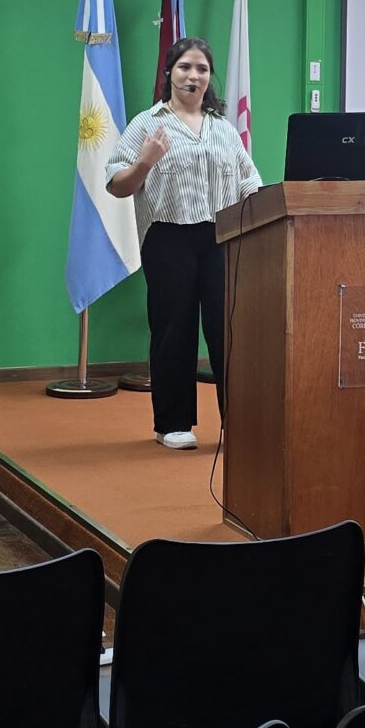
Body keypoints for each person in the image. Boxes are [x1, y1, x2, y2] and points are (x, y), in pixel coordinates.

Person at [106, 37, 263, 449]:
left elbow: (249, 179)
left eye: (202, 69)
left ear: (210, 78)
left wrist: (259, 201)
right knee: (173, 330)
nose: (194, 76)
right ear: (169, 73)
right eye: (185, 67)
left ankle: (239, 422)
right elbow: (116, 184)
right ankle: (172, 424)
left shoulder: (223, 129)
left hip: (220, 237)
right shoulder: (147, 124)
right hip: (168, 237)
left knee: (228, 330)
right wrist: (146, 161)